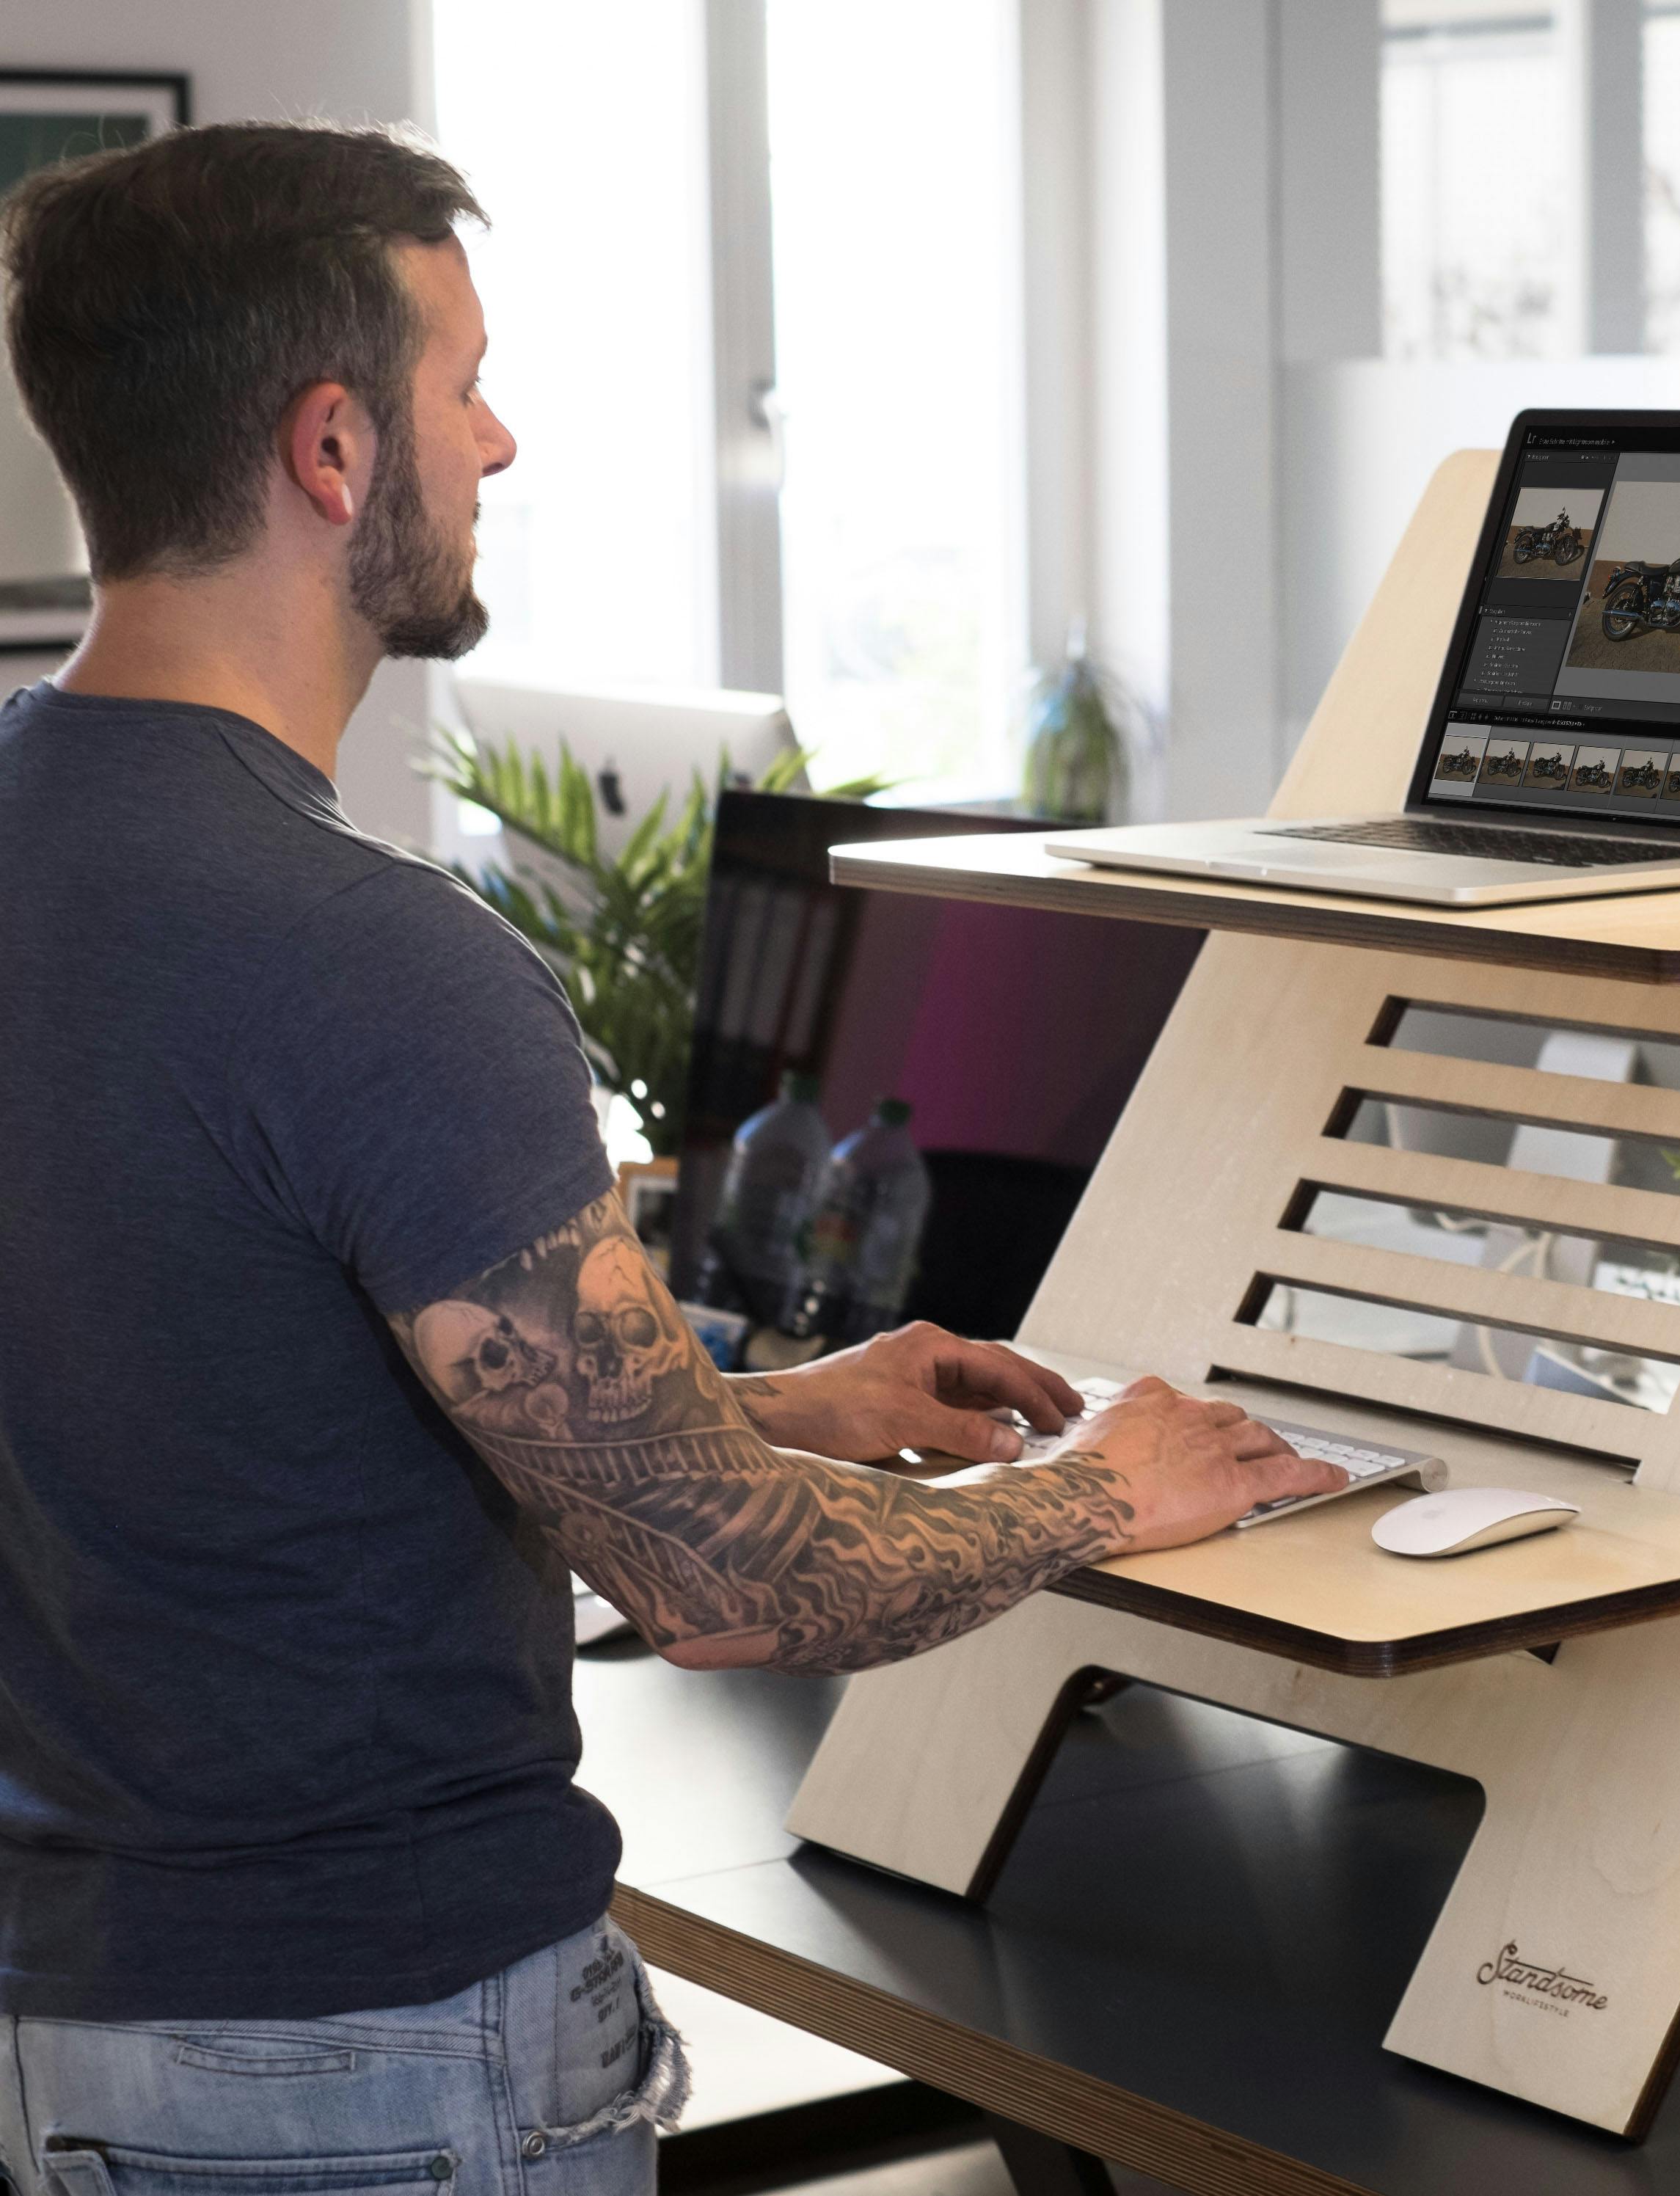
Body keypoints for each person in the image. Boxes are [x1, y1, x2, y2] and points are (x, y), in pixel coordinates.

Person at [0, 121, 1340, 2190]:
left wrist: (780, 1398)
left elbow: (198, 1375)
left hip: (91, 2026)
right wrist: (1101, 1490)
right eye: (466, 386)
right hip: (374, 2058)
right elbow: (718, 1585)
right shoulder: (372, 962)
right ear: (335, 448)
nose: (504, 442)